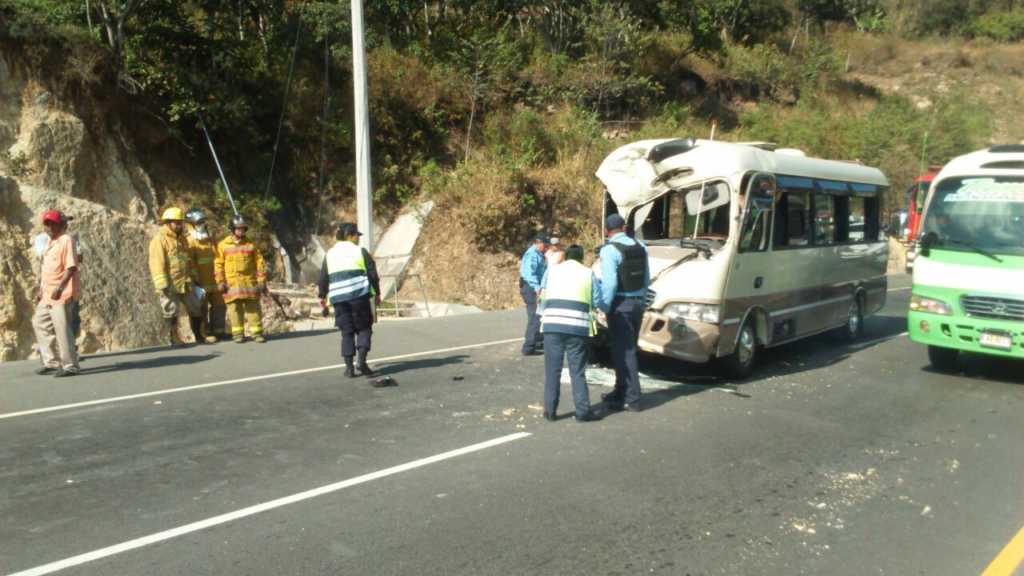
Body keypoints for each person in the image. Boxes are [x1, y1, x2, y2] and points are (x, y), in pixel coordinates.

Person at [539, 244, 602, 422]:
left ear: (566, 256)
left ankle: (550, 412)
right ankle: (583, 412)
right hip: (577, 327)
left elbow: (542, 296)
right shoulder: (588, 273)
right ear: (582, 257)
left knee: (553, 371)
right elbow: (597, 300)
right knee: (577, 371)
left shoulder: (552, 271)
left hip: (552, 325)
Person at [597, 213, 650, 412]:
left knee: (624, 352)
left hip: (620, 304)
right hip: (637, 303)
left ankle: (632, 398)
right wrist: (641, 301)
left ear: (606, 231)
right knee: (626, 350)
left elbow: (610, 284)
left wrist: (604, 306)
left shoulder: (610, 250)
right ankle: (620, 391)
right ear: (624, 227)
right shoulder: (641, 247)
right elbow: (646, 279)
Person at [318, 223, 382, 378]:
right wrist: (377, 294)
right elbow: (372, 274)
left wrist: (322, 296)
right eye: (357, 236)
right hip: (359, 296)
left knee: (347, 332)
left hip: (339, 299)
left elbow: (323, 278)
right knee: (364, 328)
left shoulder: (330, 254)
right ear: (350, 235)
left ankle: (349, 369)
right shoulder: (360, 251)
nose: (358, 239)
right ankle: (361, 361)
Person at [32, 210, 81, 377]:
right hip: (47, 293)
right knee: (39, 323)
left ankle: (70, 366)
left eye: (53, 223)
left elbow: (71, 267)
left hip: (62, 293)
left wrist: (60, 288)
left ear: (61, 225)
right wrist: (41, 289)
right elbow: (47, 269)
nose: (50, 227)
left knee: (62, 328)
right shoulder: (49, 242)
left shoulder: (66, 240)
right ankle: (51, 362)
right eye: (47, 224)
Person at [148, 207, 204, 347]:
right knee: (171, 310)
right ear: (168, 223)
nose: (180, 225)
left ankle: (198, 335)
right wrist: (162, 284)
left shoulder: (183, 240)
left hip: (186, 282)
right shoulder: (159, 240)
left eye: (181, 222)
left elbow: (188, 261)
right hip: (170, 284)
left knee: (195, 307)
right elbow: (156, 263)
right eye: (177, 223)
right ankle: (173, 338)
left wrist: (195, 279)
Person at [215, 214, 267, 343]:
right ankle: (238, 334)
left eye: (243, 228)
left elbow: (260, 263)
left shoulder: (251, 245)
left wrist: (261, 281)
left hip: (249, 283)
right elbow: (218, 264)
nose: (241, 231)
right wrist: (220, 282)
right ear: (232, 229)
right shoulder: (223, 245)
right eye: (238, 228)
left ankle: (256, 333)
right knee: (234, 310)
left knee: (253, 309)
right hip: (231, 285)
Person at [185, 208, 224, 343]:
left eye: (203, 221)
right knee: (201, 310)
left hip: (215, 281)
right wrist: (195, 282)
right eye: (198, 222)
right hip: (201, 283)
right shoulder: (190, 241)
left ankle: (219, 331)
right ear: (190, 224)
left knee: (219, 306)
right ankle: (203, 334)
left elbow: (218, 257)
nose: (202, 224)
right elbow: (190, 264)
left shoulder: (210, 239)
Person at [519, 232, 549, 356]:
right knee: (536, 317)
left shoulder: (538, 254)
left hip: (532, 287)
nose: (546, 247)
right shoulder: (532, 254)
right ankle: (529, 347)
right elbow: (528, 274)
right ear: (538, 243)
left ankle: (536, 341)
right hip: (530, 287)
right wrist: (537, 288)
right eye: (545, 245)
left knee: (537, 315)